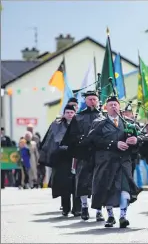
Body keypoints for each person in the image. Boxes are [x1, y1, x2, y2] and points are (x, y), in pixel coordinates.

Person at [84, 96, 141, 228]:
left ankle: (123, 216)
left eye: (115, 104)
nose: (113, 107)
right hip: (106, 163)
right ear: (106, 108)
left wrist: (136, 140)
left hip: (124, 162)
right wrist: (114, 144)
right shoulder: (99, 123)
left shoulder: (128, 123)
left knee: (124, 190)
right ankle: (110, 216)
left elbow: (143, 137)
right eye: (110, 105)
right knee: (107, 189)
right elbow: (93, 140)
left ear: (119, 107)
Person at [60, 90, 105, 221]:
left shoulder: (103, 116)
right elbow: (71, 136)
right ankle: (84, 207)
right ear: (85, 101)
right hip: (83, 154)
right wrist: (81, 141)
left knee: (99, 182)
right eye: (90, 99)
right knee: (83, 182)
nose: (93, 101)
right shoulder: (78, 117)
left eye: (95, 99)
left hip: (99, 154)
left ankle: (98, 211)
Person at [39, 105, 81, 216]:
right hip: (61, 159)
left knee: (76, 184)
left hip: (76, 157)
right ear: (64, 113)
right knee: (64, 185)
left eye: (72, 112)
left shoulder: (80, 124)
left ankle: (77, 208)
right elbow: (50, 141)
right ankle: (66, 208)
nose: (70, 114)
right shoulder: (57, 125)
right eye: (67, 112)